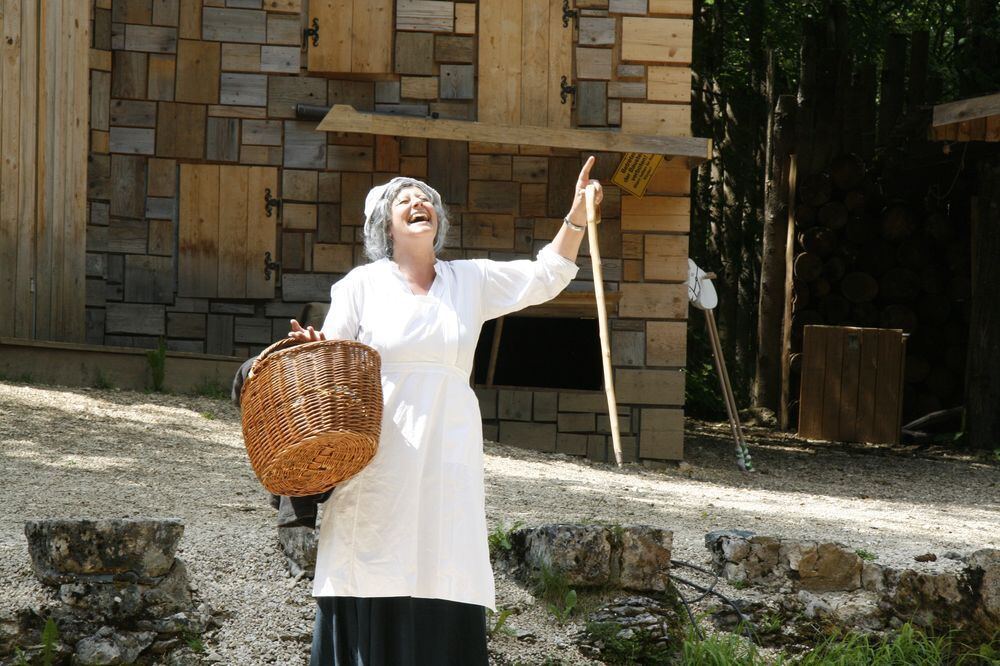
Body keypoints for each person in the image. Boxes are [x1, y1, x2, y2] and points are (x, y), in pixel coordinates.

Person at [286, 156, 603, 665]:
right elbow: (332, 365)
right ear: (383, 226)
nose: (419, 203)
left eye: (426, 197)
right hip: (379, 454)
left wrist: (576, 216)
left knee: (444, 558)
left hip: (447, 451)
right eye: (403, 199)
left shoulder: (469, 281)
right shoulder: (359, 286)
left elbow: (548, 274)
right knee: (371, 554)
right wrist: (313, 347)